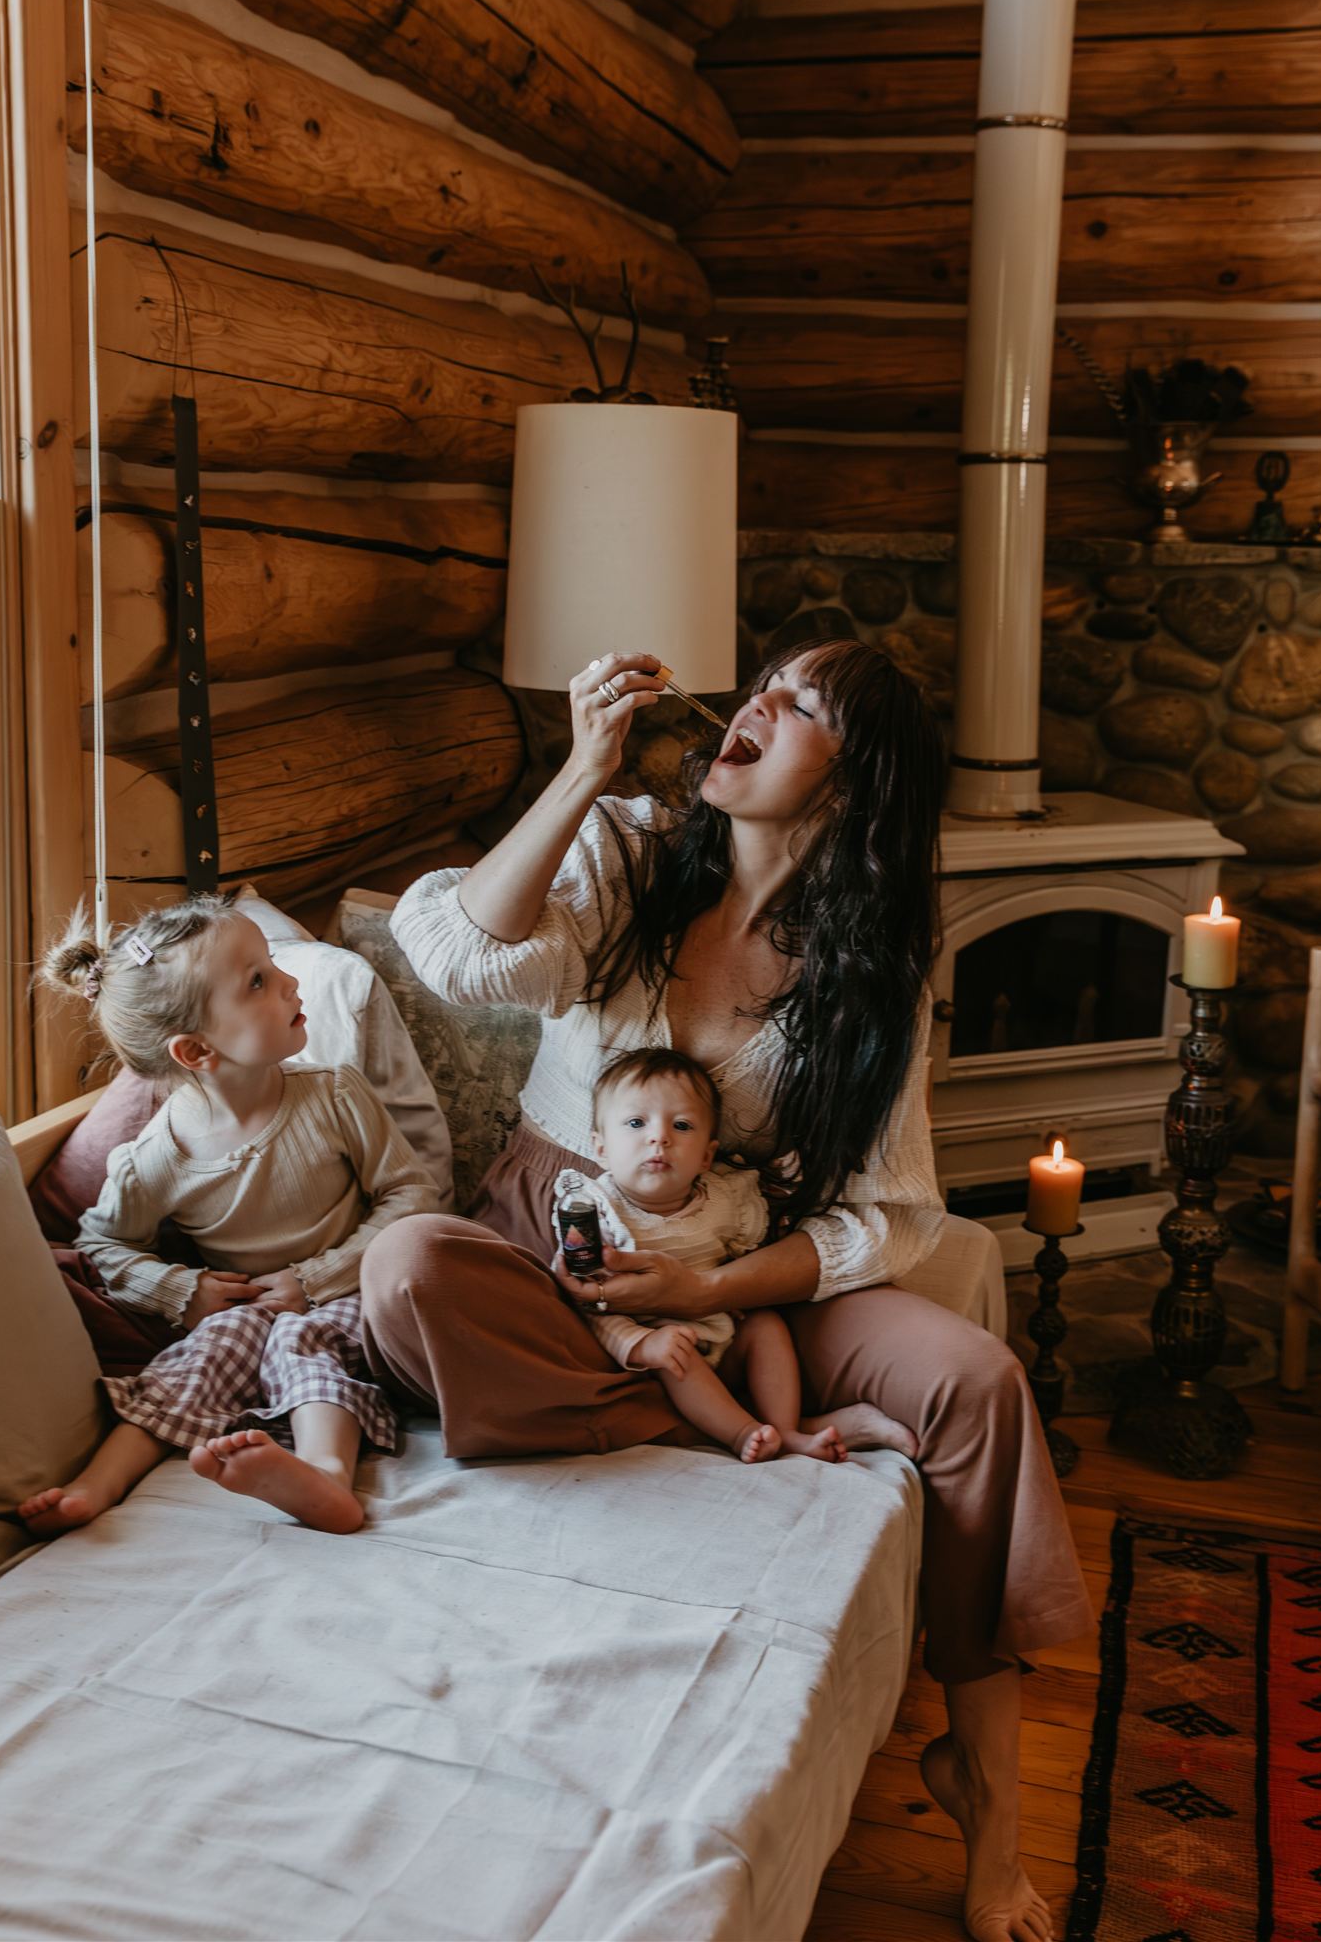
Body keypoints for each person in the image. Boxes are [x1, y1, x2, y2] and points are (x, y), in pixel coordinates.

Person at [361, 640, 1093, 1942]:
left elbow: (886, 1212)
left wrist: (708, 1281)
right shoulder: (629, 855)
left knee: (975, 1379)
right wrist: (582, 769)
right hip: (558, 1245)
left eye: (797, 704)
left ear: (853, 783)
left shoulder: (864, 975)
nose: (751, 704)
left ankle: (986, 1794)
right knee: (406, 1267)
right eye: (759, 682)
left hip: (752, 1268)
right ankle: (693, 1403)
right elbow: (462, 957)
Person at [19, 893, 441, 1537]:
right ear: (195, 1052)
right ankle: (96, 1485)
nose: (291, 982)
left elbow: (411, 1196)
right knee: (202, 1353)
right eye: (258, 981)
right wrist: (181, 1290)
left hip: (348, 1293)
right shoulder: (155, 1158)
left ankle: (327, 1473)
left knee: (306, 1338)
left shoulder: (334, 1095)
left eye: (272, 966)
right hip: (247, 1309)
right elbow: (101, 1245)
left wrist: (318, 1279)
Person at [562, 1045, 864, 1464]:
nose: (659, 1137)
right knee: (676, 1356)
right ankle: (742, 1433)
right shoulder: (594, 1212)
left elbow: (744, 1261)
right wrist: (642, 1343)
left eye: (682, 1125)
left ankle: (787, 1429)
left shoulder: (726, 1201)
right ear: (600, 1148)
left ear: (706, 1155)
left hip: (720, 1330)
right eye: (636, 1122)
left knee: (766, 1325)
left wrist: (735, 1296)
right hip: (653, 1355)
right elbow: (589, 1304)